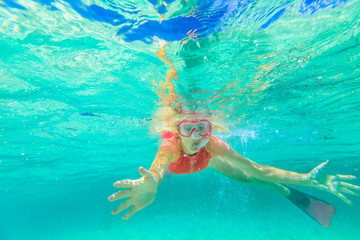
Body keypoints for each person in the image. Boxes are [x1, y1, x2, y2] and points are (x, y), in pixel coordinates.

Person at [108, 43, 360, 228]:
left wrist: (306, 179)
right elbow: (158, 169)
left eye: (203, 129)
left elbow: (257, 168)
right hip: (181, 165)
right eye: (187, 129)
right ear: (177, 130)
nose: (196, 136)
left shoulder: (212, 146)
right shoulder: (171, 145)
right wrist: (152, 185)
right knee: (241, 179)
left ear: (211, 129)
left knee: (248, 177)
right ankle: (283, 190)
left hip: (208, 161)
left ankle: (286, 190)